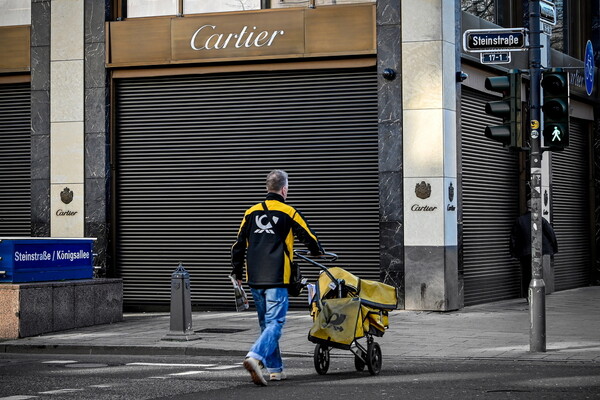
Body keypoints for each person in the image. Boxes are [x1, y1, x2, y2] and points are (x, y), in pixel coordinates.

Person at [231, 169, 324, 386]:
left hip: (255, 278)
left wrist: (237, 273)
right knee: (275, 323)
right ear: (284, 189)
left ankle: (275, 369)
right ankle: (255, 357)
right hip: (277, 277)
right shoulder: (289, 212)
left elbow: (238, 245)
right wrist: (317, 251)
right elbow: (308, 236)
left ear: (267, 188)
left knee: (266, 324)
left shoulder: (250, 212)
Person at [510, 200, 558, 298]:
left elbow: (514, 238)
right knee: (538, 272)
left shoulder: (519, 220)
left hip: (525, 252)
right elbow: (551, 233)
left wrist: (513, 252)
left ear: (526, 208)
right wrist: (554, 248)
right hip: (539, 251)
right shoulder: (540, 219)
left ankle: (528, 295)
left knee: (526, 273)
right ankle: (538, 294)